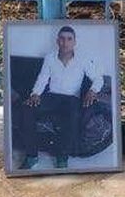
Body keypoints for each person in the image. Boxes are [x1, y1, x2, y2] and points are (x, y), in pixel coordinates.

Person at [19, 26, 103, 170]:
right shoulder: (50, 57)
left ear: (74, 42)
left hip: (71, 98)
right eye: (62, 39)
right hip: (52, 96)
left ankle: (62, 157)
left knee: (73, 115)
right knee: (27, 108)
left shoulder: (83, 59)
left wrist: (92, 91)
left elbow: (98, 78)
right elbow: (42, 78)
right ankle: (32, 157)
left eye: (69, 39)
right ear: (57, 41)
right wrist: (35, 94)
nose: (65, 42)